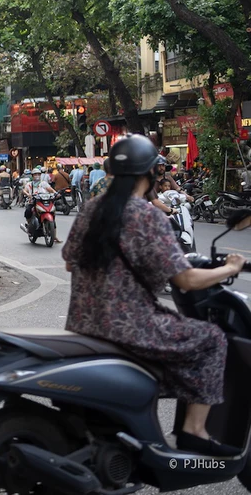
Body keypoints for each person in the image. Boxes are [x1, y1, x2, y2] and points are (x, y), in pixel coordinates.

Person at [61, 135, 245, 457]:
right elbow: (186, 279)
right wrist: (230, 268)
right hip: (130, 327)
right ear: (149, 173)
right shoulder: (148, 216)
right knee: (213, 339)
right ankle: (194, 431)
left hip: (82, 325)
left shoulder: (91, 208)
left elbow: (68, 260)